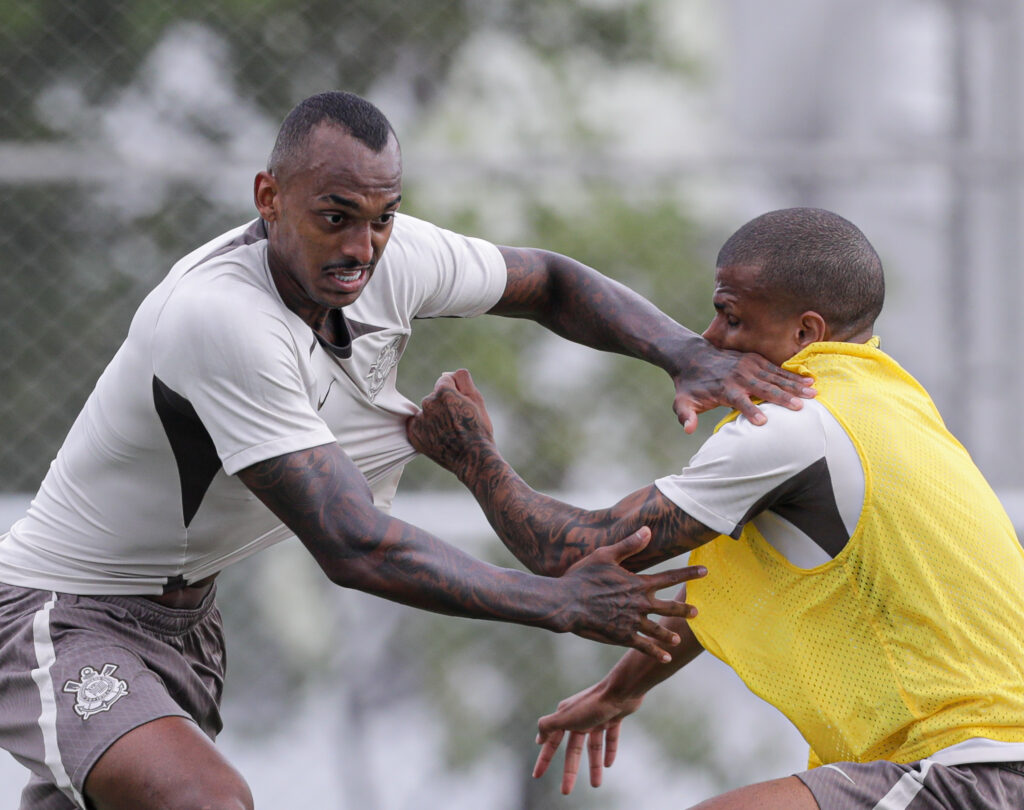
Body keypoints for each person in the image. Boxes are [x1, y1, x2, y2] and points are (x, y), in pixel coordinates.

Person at [0, 92, 813, 810]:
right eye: (336, 215)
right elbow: (353, 545)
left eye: (382, 216)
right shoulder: (221, 320)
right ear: (268, 197)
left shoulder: (392, 258)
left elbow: (553, 283)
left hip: (184, 623)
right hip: (61, 617)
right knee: (205, 801)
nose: (362, 245)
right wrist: (556, 603)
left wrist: (684, 351)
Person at [407, 207, 1024, 809]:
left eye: (729, 315)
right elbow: (718, 587)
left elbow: (565, 549)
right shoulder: (892, 399)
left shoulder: (790, 427)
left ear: (805, 333)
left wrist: (471, 455)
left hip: (978, 766)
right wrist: (620, 690)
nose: (709, 337)